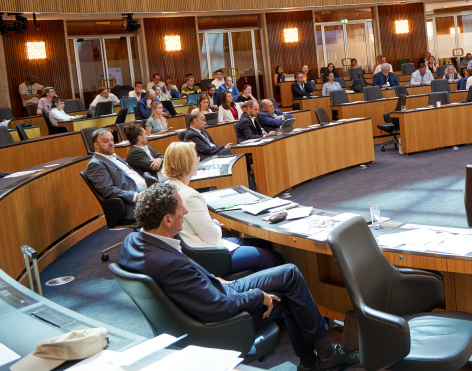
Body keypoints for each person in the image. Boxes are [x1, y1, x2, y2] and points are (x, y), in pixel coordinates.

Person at [117, 184, 358, 371]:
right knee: (289, 288)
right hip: (220, 321)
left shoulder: (134, 241)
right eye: (181, 208)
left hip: (207, 293)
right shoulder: (168, 264)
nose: (186, 211)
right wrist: (257, 296)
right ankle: (323, 356)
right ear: (167, 219)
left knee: (289, 275)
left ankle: (313, 360)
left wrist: (208, 277)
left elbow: (183, 275)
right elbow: (218, 307)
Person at [164, 142, 284, 273]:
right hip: (208, 255)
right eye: (196, 158)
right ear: (187, 163)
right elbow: (213, 237)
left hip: (194, 250)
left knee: (263, 244)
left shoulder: (167, 186)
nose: (198, 162)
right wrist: (215, 224)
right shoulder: (190, 196)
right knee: (274, 258)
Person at [85, 128, 145, 220]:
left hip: (144, 189)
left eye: (112, 140)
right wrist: (135, 196)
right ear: (96, 145)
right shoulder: (95, 164)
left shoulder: (114, 155)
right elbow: (108, 191)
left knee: (167, 183)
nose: (111, 143)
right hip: (133, 201)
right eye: (106, 141)